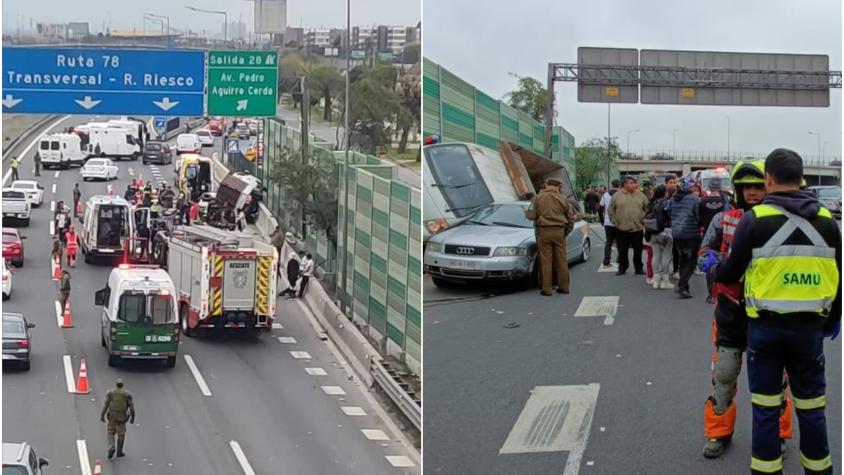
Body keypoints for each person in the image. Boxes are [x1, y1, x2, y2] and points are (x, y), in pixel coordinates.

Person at [712, 149, 840, 475]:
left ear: (768, 179)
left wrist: (714, 267)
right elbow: (838, 275)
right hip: (810, 331)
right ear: (801, 179)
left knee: (766, 408)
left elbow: (729, 274)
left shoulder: (754, 220)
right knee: (811, 408)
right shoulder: (828, 222)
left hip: (764, 331)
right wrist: (834, 319)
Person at [697, 159, 794, 459]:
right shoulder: (723, 219)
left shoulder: (781, 220)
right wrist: (711, 262)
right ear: (737, 190)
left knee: (774, 380)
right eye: (746, 187)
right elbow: (704, 252)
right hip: (730, 310)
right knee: (724, 375)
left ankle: (777, 434)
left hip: (768, 312)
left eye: (757, 186)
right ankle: (718, 432)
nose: (752, 192)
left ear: (768, 186)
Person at [524, 177, 573, 295]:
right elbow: (570, 218)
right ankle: (564, 287)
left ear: (547, 185)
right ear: (557, 187)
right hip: (559, 231)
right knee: (561, 260)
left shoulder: (537, 198)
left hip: (544, 231)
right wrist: (566, 231)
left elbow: (531, 216)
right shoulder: (563, 199)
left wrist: (526, 211)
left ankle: (546, 289)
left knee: (546, 260)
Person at [608, 176, 649, 276]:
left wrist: (644, 221)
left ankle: (638, 268)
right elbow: (610, 210)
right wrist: (614, 222)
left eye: (635, 183)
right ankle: (622, 268)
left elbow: (648, 208)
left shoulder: (641, 195)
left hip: (637, 228)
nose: (634, 185)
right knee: (622, 251)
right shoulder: (617, 196)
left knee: (638, 250)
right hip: (621, 228)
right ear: (625, 184)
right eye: (631, 183)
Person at [668, 176, 701, 298]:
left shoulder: (673, 198)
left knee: (682, 260)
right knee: (691, 263)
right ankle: (682, 287)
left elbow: (669, 214)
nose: (694, 188)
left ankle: (684, 287)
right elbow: (698, 216)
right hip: (691, 235)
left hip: (677, 234)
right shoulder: (694, 199)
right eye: (692, 186)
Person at [645, 185, 673, 290]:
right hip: (665, 232)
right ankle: (665, 281)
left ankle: (655, 281)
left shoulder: (651, 203)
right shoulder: (667, 203)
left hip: (652, 232)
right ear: (664, 193)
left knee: (655, 256)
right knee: (666, 257)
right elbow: (670, 216)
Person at [100, 379, 136, 459]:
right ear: (122, 385)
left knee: (111, 432)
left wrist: (102, 415)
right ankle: (119, 452)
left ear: (116, 385)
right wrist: (132, 417)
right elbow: (132, 408)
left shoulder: (111, 393)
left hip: (112, 416)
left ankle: (112, 446)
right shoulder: (127, 395)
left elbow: (106, 405)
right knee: (121, 433)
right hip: (122, 416)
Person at [599, 180, 621, 269]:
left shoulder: (605, 195)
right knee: (620, 242)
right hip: (620, 222)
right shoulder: (622, 195)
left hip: (608, 222)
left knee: (608, 242)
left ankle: (606, 261)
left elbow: (600, 209)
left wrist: (602, 220)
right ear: (619, 185)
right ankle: (620, 259)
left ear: (611, 185)